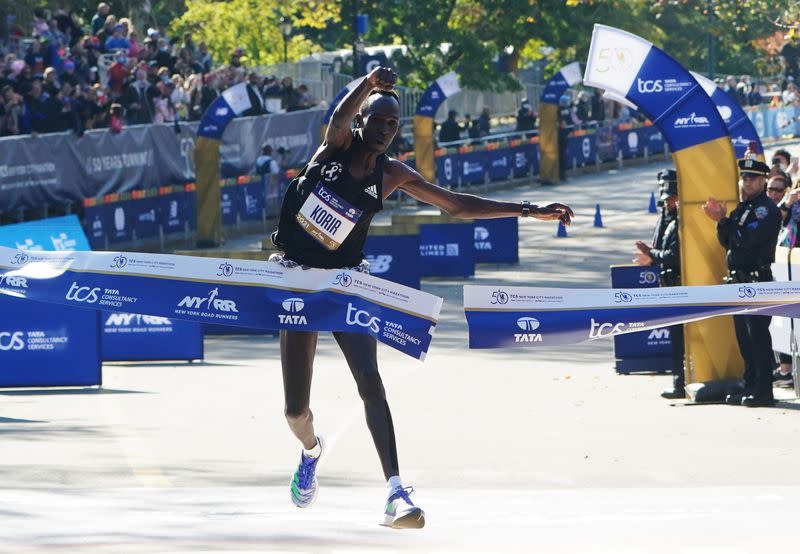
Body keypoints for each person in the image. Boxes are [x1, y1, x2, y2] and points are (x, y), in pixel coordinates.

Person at [270, 66, 573, 528]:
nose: (386, 130)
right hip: (297, 279)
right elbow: (337, 113)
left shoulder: (390, 173)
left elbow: (458, 204)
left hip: (347, 282)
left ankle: (396, 493)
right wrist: (368, 84)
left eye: (394, 125)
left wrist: (528, 209)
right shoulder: (335, 145)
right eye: (378, 120)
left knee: (371, 384)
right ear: (361, 120)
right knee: (295, 410)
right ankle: (311, 450)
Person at [702, 158, 782, 407]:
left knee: (757, 338)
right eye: (744, 178)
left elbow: (745, 239)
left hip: (756, 281)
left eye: (752, 178)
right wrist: (723, 221)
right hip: (739, 282)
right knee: (745, 341)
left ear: (762, 180)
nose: (746, 183)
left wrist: (725, 221)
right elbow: (727, 240)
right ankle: (750, 387)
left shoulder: (766, 209)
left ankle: (763, 391)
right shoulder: (743, 208)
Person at [634, 170, 684, 399]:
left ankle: (682, 382)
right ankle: (678, 382)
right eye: (665, 199)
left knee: (683, 338)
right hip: (667, 283)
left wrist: (651, 255)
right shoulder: (666, 217)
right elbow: (658, 242)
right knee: (675, 339)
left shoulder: (683, 220)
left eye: (671, 197)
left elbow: (673, 254)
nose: (668, 202)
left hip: (680, 285)